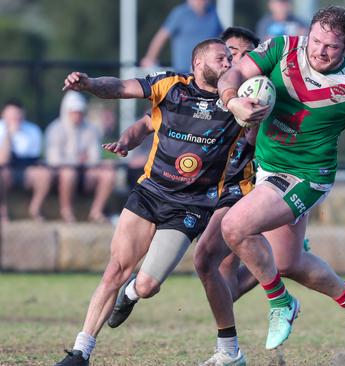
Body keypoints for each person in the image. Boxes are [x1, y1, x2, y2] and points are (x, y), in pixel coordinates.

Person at [53, 38, 262, 366]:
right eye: (221, 58)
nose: (228, 64)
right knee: (115, 269)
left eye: (230, 60)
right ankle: (81, 352)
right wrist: (90, 85)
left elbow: (254, 139)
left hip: (191, 207)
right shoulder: (171, 86)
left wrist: (256, 120)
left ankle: (132, 294)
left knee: (148, 285)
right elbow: (121, 87)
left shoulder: (237, 102)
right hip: (150, 193)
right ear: (197, 64)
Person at [218, 5, 345, 351]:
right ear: (308, 34)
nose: (320, 50)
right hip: (268, 166)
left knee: (234, 227)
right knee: (289, 262)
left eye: (331, 46)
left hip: (308, 176)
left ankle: (280, 303)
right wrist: (233, 101)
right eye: (316, 41)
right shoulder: (281, 49)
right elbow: (233, 74)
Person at [45, 91, 116, 223]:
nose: (77, 115)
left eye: (79, 111)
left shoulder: (91, 129)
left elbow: (95, 156)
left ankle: (96, 211)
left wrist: (83, 162)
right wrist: (77, 160)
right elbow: (53, 160)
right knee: (68, 173)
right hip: (62, 175)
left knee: (109, 172)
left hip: (86, 173)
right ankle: (66, 211)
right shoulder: (55, 129)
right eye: (74, 111)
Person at [0, 99, 52, 221]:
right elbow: (2, 161)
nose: (15, 118)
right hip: (5, 170)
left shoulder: (33, 130)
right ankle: (2, 211)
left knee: (45, 175)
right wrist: (9, 136)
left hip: (26, 169)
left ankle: (35, 208)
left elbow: (34, 159)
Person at [141, 0, 223, 73]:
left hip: (208, 72)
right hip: (183, 72)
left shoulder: (213, 12)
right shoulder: (180, 13)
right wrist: (150, 57)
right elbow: (161, 36)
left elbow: (223, 37)